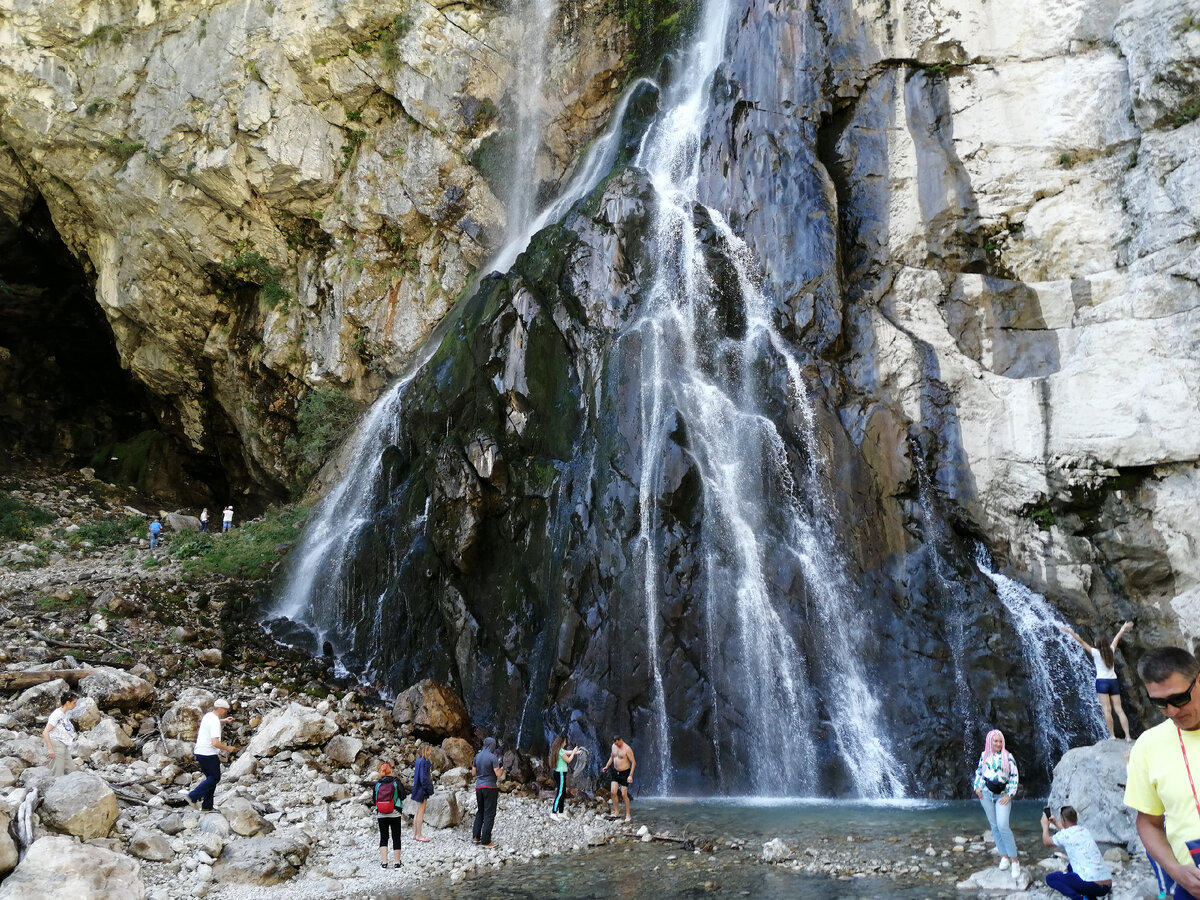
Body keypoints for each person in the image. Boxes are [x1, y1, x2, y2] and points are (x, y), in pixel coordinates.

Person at [1124, 646, 1200, 900]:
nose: (1172, 711)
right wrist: (1175, 870)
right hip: (1192, 887)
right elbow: (1148, 822)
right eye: (1160, 703)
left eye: (1179, 698)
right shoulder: (1147, 746)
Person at [1061, 621, 1134, 738]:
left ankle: (1112, 736)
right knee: (1119, 710)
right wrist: (1123, 628)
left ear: (1097, 644)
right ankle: (1128, 736)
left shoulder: (1095, 652)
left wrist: (1070, 631)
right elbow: (1117, 638)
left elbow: (1081, 641)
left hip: (1102, 682)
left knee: (1107, 710)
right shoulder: (1111, 650)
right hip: (1113, 682)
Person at [972, 728, 1020, 881]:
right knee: (994, 826)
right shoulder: (984, 755)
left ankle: (1014, 861)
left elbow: (1014, 776)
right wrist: (977, 788)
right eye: (996, 741)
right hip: (985, 794)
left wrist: (1010, 794)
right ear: (990, 741)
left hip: (1002, 794)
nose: (998, 744)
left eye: (1000, 741)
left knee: (1003, 825)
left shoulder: (1008, 756)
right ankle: (1004, 856)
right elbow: (979, 773)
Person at [1041, 805, 1113, 899]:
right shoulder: (1084, 831)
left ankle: (1078, 898)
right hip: (1107, 885)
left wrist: (1045, 826)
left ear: (1063, 820)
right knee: (1071, 866)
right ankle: (1090, 898)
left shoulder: (1065, 835)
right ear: (1076, 819)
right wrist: (1055, 822)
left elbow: (1046, 841)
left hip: (1091, 886)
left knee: (1050, 878)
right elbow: (1068, 833)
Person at [183, 698, 235, 811]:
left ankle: (207, 807)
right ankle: (192, 797)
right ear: (221, 709)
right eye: (225, 710)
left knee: (210, 779)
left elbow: (212, 723)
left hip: (200, 752)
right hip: (208, 753)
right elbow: (215, 743)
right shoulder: (214, 721)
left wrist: (224, 720)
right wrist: (228, 748)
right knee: (215, 778)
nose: (225, 712)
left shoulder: (208, 716)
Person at [471, 737, 503, 848]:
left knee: (480, 811)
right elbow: (498, 774)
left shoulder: (477, 756)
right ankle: (486, 841)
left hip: (478, 787)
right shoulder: (493, 757)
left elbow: (473, 773)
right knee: (489, 814)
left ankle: (476, 837)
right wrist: (503, 768)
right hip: (490, 787)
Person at [373, 762, 403, 868]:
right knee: (396, 837)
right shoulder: (396, 782)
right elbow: (403, 795)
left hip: (381, 814)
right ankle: (397, 863)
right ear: (390, 770)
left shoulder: (377, 784)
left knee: (383, 837)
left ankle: (384, 863)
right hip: (395, 813)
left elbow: (374, 799)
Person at [42, 692, 79, 777]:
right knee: (58, 773)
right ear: (67, 702)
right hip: (56, 746)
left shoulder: (64, 714)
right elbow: (45, 732)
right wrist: (50, 749)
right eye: (74, 703)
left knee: (72, 771)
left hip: (64, 746)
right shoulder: (56, 714)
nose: (75, 705)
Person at [601, 736, 636, 823]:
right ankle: (616, 813)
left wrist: (630, 775)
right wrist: (606, 766)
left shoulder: (627, 749)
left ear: (621, 740)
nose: (617, 745)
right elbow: (612, 757)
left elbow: (633, 762)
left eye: (618, 743)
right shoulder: (614, 746)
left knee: (624, 794)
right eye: (615, 743)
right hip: (615, 772)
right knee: (613, 793)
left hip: (625, 773)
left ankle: (628, 815)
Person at [548, 734, 580, 819]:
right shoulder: (560, 751)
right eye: (565, 742)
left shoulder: (558, 749)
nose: (565, 743)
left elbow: (568, 752)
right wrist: (573, 753)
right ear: (561, 742)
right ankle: (553, 813)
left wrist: (575, 752)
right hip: (561, 774)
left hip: (558, 773)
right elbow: (568, 760)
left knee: (562, 792)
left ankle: (561, 812)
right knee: (560, 793)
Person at [411, 744, 434, 843]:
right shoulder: (425, 762)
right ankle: (419, 835)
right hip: (422, 789)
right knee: (421, 811)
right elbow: (424, 777)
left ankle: (415, 833)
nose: (431, 752)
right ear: (425, 751)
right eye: (429, 750)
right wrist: (428, 788)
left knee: (417, 811)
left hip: (417, 788)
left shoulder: (418, 760)